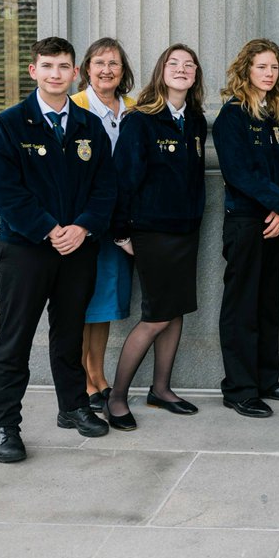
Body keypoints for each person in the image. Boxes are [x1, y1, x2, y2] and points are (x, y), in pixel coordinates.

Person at [0, 36, 114, 462]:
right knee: (15, 338)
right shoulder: (10, 124)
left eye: (63, 66)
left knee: (70, 334)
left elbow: (105, 189)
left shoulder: (89, 126)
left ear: (75, 73)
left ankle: (73, 406)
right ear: (33, 71)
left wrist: (83, 227)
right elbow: (1, 191)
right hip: (26, 250)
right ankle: (6, 425)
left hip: (78, 248)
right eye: (47, 66)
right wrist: (48, 229)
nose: (55, 74)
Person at [104, 45, 208, 431]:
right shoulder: (141, 120)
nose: (182, 69)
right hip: (152, 232)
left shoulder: (194, 120)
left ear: (196, 75)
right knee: (155, 316)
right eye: (173, 63)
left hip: (186, 231)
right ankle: (116, 398)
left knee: (175, 311)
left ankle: (161, 389)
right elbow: (122, 179)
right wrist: (120, 233)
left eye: (189, 65)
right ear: (161, 72)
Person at [212, 39, 279, 418]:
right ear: (246, 70)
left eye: (274, 68)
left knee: (267, 306)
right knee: (242, 309)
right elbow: (240, 174)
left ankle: (267, 380)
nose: (269, 73)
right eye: (262, 67)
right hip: (246, 223)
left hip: (273, 224)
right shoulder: (232, 116)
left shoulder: (272, 117)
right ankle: (239, 389)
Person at [70, 37, 135, 412]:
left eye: (114, 63)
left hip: (118, 222)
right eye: (99, 63)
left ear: (123, 71)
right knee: (83, 303)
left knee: (105, 304)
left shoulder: (134, 109)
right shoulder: (75, 107)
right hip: (85, 222)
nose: (106, 70)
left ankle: (98, 375)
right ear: (86, 69)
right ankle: (83, 379)